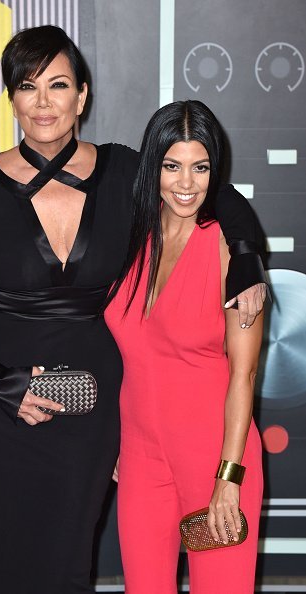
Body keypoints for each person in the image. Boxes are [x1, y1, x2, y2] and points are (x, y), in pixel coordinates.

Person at [0, 26, 266, 594]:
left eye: (58, 85)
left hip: (86, 403)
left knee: (67, 558)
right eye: (27, 86)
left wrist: (243, 255)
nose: (43, 102)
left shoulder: (122, 172)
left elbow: (206, 187)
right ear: (10, 97)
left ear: (82, 96)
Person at [105, 100, 264, 594]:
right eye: (172, 166)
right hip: (138, 458)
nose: (186, 184)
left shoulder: (228, 250)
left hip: (214, 457)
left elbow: (244, 375)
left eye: (201, 167)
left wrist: (228, 478)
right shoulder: (135, 233)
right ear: (154, 167)